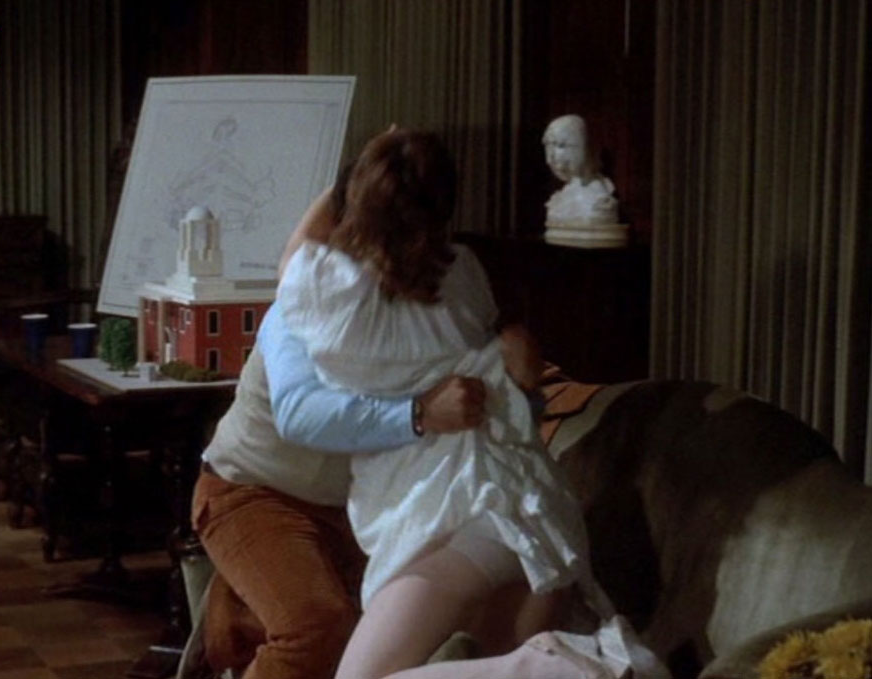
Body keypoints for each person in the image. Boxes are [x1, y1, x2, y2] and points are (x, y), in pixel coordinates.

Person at [273, 127, 668, 679]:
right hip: (525, 508)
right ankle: (567, 663)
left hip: (469, 516)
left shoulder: (330, 291)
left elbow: (293, 252)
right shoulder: (464, 272)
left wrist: (354, 175)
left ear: (358, 201)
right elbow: (512, 404)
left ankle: (587, 666)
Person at [192, 315, 492, 679]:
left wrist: (508, 353)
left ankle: (236, 621)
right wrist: (419, 412)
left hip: (351, 507)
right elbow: (303, 415)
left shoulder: (423, 319)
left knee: (423, 616)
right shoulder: (298, 312)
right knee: (320, 628)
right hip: (250, 488)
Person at [541, 114, 619, 228]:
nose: (550, 158)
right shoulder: (560, 198)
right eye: (548, 146)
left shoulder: (601, 201)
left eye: (560, 145)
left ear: (584, 147)